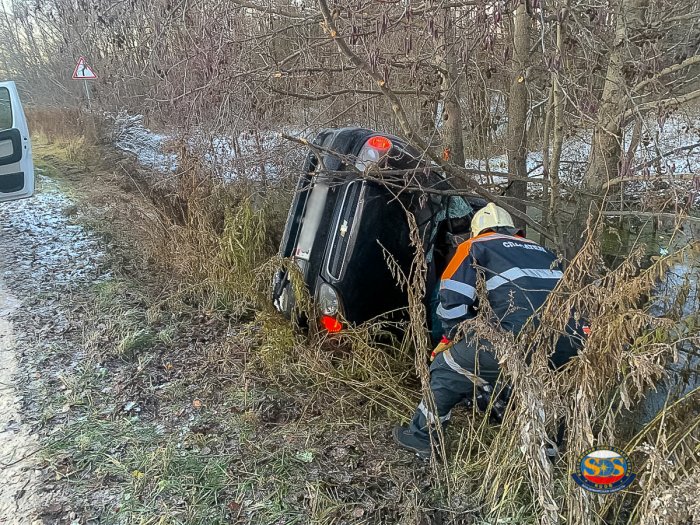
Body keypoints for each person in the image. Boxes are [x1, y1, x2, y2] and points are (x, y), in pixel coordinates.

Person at [393, 203, 586, 457]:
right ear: (513, 230)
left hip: (515, 339)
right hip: (572, 340)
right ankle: (548, 449)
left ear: (477, 231)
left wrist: (454, 337)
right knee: (547, 384)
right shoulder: (545, 251)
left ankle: (422, 437)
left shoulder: (475, 246)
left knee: (446, 368)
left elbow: (452, 299)